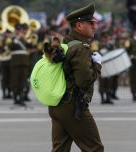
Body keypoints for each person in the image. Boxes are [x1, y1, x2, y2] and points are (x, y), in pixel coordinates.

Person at [48, 3, 104, 152]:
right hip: (73, 106)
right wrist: (97, 65)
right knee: (95, 149)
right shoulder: (81, 47)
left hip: (58, 104)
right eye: (91, 23)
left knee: (60, 149)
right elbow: (84, 81)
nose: (95, 26)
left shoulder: (65, 44)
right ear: (79, 25)